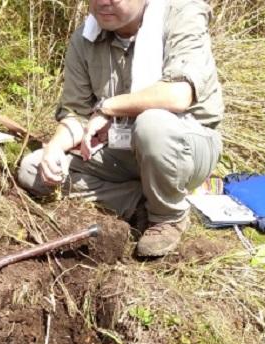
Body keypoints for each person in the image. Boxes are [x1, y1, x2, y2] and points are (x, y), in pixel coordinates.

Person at [17, 0, 223, 257]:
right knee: (32, 170)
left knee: (152, 124)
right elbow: (76, 114)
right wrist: (56, 149)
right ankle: (137, 202)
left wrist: (108, 108)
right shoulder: (86, 36)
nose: (103, 2)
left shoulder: (180, 14)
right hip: (119, 147)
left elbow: (178, 96)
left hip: (185, 145)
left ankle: (168, 216)